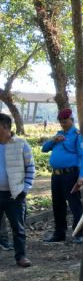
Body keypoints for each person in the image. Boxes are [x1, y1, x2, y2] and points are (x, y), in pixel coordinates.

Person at [42, 109, 83, 244]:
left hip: (70, 174)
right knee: (57, 204)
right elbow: (44, 149)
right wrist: (53, 140)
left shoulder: (77, 135)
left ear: (71, 120)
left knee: (74, 204)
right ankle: (59, 233)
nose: (63, 124)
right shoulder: (59, 134)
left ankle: (79, 233)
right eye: (61, 122)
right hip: (56, 175)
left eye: (65, 121)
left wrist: (82, 176)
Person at [0, 113, 35, 267]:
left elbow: (30, 168)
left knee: (18, 228)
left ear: (5, 127)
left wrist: (25, 189)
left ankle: (21, 257)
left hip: (15, 194)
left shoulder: (21, 144)